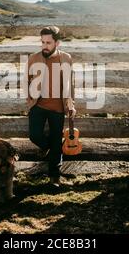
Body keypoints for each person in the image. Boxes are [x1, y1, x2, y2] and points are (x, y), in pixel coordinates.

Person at [24, 26, 76, 187]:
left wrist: (70, 104)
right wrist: (29, 98)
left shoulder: (66, 58)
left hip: (58, 108)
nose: (44, 46)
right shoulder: (33, 58)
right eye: (42, 42)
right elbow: (26, 79)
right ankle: (53, 149)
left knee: (55, 139)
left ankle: (54, 177)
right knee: (35, 136)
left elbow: (70, 83)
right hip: (38, 105)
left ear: (57, 43)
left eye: (48, 42)